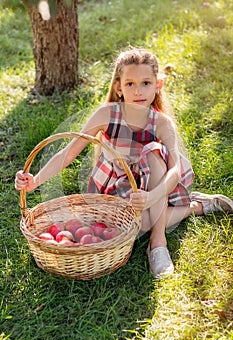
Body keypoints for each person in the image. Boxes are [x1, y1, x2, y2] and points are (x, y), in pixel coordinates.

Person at [15, 47, 233, 278]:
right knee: (134, 226)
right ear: (119, 87)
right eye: (130, 84)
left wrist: (152, 196)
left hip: (154, 185)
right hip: (116, 186)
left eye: (146, 83)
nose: (138, 90)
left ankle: (158, 245)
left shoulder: (161, 123)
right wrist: (34, 181)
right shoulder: (106, 114)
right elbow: (68, 153)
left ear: (157, 85)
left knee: (153, 153)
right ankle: (194, 206)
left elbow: (175, 170)